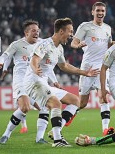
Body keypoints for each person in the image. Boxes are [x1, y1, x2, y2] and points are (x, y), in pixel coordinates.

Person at [24, 18, 99, 147]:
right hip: (33, 82)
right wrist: (35, 68)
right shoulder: (45, 44)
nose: (72, 35)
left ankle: (55, 131)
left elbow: (64, 66)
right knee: (56, 104)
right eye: (70, 31)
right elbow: (34, 59)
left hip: (43, 83)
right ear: (61, 31)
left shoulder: (59, 49)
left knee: (75, 101)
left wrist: (84, 72)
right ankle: (58, 140)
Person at [0, 20, 50, 144]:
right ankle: (6, 134)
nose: (37, 33)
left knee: (45, 107)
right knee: (25, 107)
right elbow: (5, 55)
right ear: (26, 33)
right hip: (21, 81)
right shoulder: (17, 44)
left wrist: (55, 81)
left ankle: (39, 138)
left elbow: (48, 64)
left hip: (36, 81)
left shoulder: (42, 44)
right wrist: (0, 62)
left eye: (38, 30)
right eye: (33, 31)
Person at [70, 1, 114, 135]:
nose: (100, 13)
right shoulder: (85, 26)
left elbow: (110, 45)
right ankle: (65, 118)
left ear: (105, 13)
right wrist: (77, 45)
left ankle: (105, 129)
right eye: (98, 11)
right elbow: (73, 42)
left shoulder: (108, 28)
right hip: (88, 69)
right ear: (92, 12)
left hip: (102, 68)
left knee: (104, 97)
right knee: (82, 103)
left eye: (102, 11)